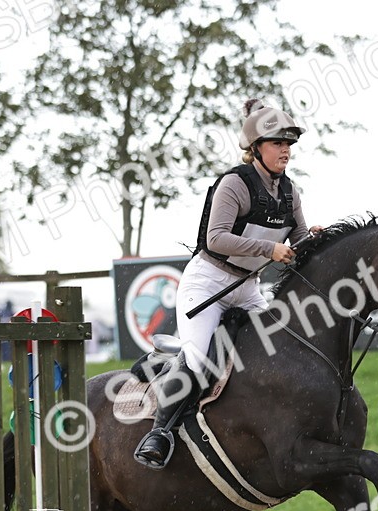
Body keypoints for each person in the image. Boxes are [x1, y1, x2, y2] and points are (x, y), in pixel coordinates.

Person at [133, 98, 322, 470]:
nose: (285, 150)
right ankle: (159, 432)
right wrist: (270, 248)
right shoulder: (235, 184)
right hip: (207, 283)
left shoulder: (290, 192)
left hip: (248, 286)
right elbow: (215, 238)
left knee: (278, 349)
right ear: (255, 149)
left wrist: (314, 238)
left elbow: (297, 240)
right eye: (277, 143)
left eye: (289, 144)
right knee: (200, 359)